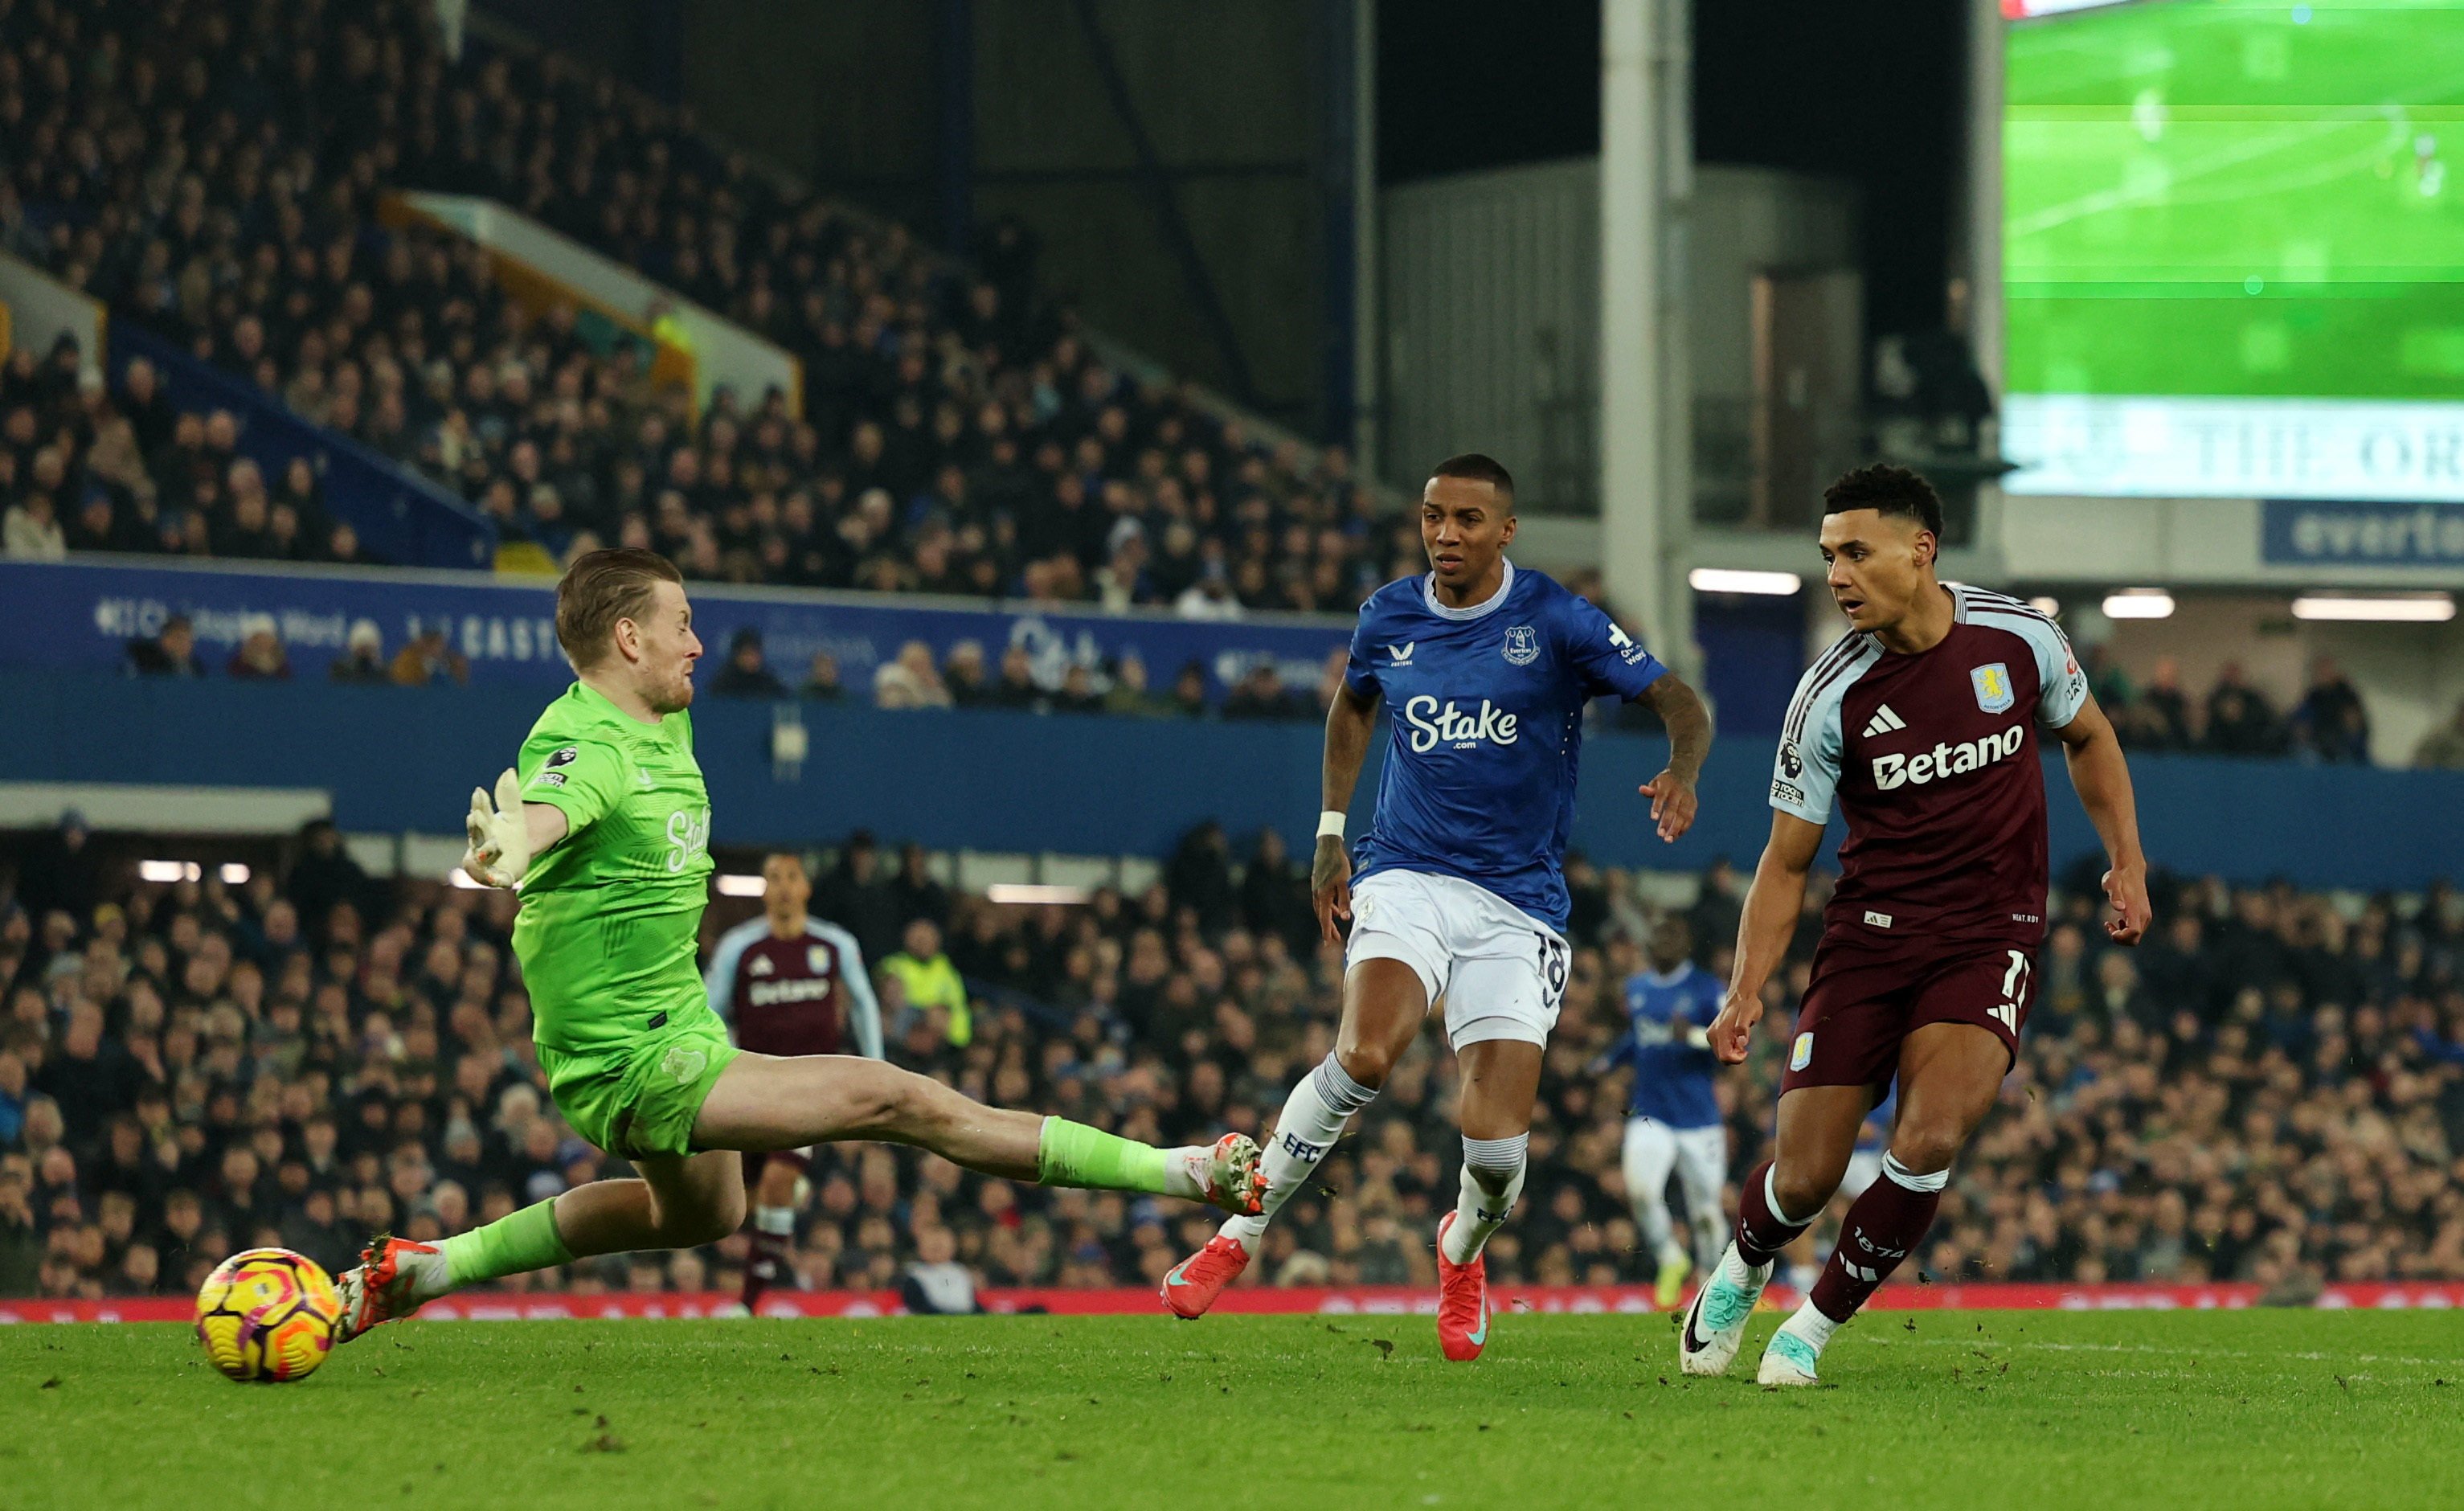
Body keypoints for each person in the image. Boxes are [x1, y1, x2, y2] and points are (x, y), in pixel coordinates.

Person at [331, 549, 1264, 1337]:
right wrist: (513, 842)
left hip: (668, 1031)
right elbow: (551, 804)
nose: (698, 642)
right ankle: (1181, 1169)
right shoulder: (593, 743)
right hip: (633, 1058)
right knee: (896, 1096)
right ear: (628, 638)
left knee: (703, 1213)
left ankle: (430, 1266)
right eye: (682, 622)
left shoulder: (665, 718)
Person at [1159, 452, 1712, 1362]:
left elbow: (1678, 701)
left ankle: (1461, 1248)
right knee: (1366, 1051)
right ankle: (1239, 1231)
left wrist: (1684, 772)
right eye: (1431, 517)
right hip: (1405, 871)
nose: (1445, 535)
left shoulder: (1557, 618)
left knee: (1494, 1148)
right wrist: (1331, 829)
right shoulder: (1389, 613)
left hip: (1518, 903)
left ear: (1506, 530)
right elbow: (1351, 707)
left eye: (1465, 519)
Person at [1685, 464, 2149, 1387]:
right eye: (1828, 556)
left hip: (1991, 932)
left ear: (1920, 549)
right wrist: (1746, 986)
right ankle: (1743, 1264)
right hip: (1870, 938)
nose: (1838, 574)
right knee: (1805, 1177)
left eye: (1856, 552)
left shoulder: (2018, 639)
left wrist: (2126, 857)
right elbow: (1785, 863)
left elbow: (2088, 734)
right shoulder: (1828, 698)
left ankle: (1810, 1329)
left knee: (1930, 1135)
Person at [702, 851, 885, 1315]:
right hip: (753, 1083)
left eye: (791, 877)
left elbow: (863, 1003)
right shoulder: (739, 947)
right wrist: (723, 1063)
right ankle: (784, 1209)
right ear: (764, 891)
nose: (783, 886)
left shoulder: (834, 944)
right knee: (736, 1201)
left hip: (811, 1084)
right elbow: (709, 1012)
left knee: (778, 1181)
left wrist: (877, 1066)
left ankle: (748, 1303)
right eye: (773, 879)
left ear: (806, 888)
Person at [1598, 915, 1726, 1307]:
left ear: (1686, 943)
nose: (1664, 941)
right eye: (1658, 933)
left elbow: (1733, 1044)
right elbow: (1638, 1037)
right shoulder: (1637, 989)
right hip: (1650, 1114)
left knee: (1706, 1211)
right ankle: (1671, 1258)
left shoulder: (1708, 990)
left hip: (1700, 1120)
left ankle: (1709, 1282)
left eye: (1672, 934)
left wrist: (1690, 1036)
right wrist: (1605, 1061)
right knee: (1641, 1190)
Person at [709, 628, 787, 698]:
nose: (751, 659)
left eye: (755, 654)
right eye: (747, 654)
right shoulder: (723, 684)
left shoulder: (768, 683)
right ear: (736, 656)